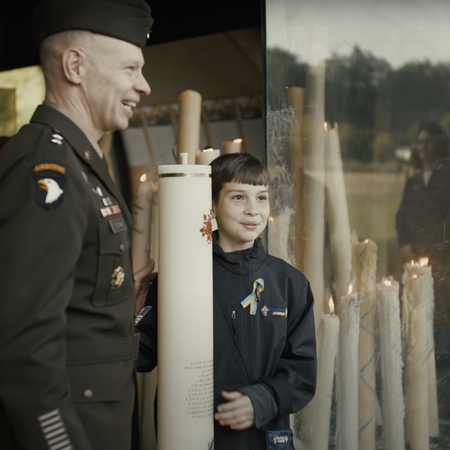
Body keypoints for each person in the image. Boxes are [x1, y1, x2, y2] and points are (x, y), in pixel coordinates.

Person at [0, 1, 156, 449]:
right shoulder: (49, 169)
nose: (143, 86)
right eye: (131, 68)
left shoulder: (80, 160)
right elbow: (26, 348)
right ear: (75, 66)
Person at [136, 153, 317, 449]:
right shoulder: (181, 278)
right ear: (212, 206)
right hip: (194, 438)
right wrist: (126, 313)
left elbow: (302, 373)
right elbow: (142, 357)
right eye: (237, 197)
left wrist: (262, 400)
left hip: (264, 436)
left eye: (261, 198)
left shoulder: (289, 284)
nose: (253, 210)